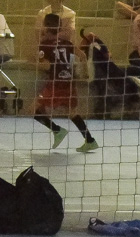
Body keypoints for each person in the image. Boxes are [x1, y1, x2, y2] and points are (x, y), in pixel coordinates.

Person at [33, 14, 97, 153]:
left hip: (56, 83)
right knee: (72, 112)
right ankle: (90, 140)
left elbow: (46, 66)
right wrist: (85, 72)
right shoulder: (67, 43)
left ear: (46, 27)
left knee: (34, 110)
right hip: (68, 80)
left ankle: (57, 130)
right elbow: (82, 55)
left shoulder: (44, 44)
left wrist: (35, 63)